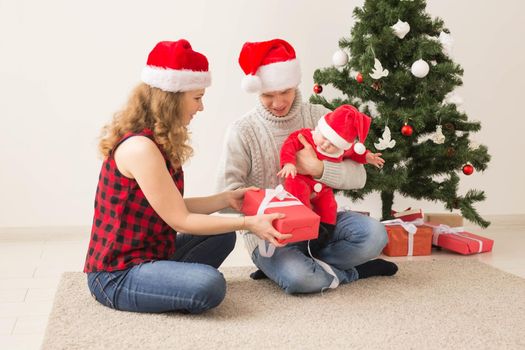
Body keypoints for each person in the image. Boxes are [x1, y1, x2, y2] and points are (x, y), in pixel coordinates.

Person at [83, 39, 291, 314]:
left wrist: (225, 200)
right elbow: (179, 219)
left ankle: (166, 281)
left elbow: (172, 206)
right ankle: (167, 283)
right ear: (171, 98)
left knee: (222, 235)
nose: (201, 107)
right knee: (210, 285)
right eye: (197, 98)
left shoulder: (154, 140)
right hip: (116, 273)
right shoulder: (141, 149)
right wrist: (250, 223)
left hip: (153, 252)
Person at [216, 38, 398, 294]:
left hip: (322, 222)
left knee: (376, 234)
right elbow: (226, 196)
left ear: (296, 84)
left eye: (286, 92)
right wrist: (264, 214)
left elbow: (359, 177)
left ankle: (303, 266)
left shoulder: (320, 117)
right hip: (271, 235)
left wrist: (318, 169)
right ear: (257, 90)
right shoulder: (242, 131)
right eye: (269, 95)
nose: (278, 102)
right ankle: (352, 272)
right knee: (301, 280)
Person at [278, 104, 385, 244]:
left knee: (329, 205)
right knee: (299, 192)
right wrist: (289, 163)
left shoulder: (340, 150)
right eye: (324, 138)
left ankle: (326, 231)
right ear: (319, 129)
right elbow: (289, 145)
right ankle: (303, 223)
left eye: (333, 144)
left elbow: (353, 151)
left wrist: (367, 157)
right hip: (300, 179)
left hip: (322, 187)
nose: (326, 145)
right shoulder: (306, 136)